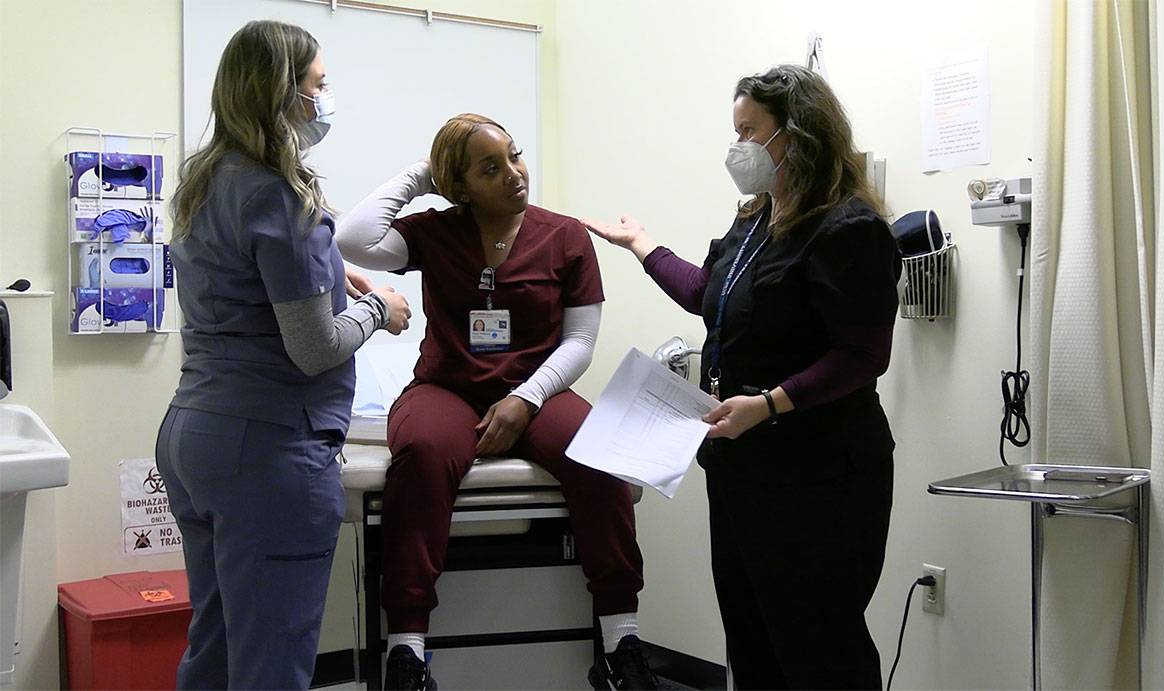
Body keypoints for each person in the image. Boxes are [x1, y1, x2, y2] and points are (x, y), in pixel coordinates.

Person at [583, 64, 901, 690]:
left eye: (750, 131)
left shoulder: (848, 228)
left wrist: (770, 403)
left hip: (822, 475)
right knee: (753, 640)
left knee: (818, 645)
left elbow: (863, 356)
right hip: (742, 471)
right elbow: (709, 293)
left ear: (798, 132)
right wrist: (642, 245)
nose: (738, 148)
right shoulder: (755, 219)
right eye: (735, 132)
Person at [337, 113, 657, 691]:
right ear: (457, 186)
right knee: (425, 452)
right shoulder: (435, 231)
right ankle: (407, 649)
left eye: (515, 155)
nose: (514, 173)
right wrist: (421, 175)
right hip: (447, 387)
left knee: (602, 456)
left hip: (540, 386)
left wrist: (526, 397)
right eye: (491, 167)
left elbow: (580, 342)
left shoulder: (564, 235)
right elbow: (353, 239)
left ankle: (620, 642)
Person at [155, 20, 411, 690]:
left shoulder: (206, 183)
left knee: (214, 643)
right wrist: (378, 309)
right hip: (267, 454)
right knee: (272, 663)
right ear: (283, 93)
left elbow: (243, 294)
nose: (327, 99)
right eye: (319, 85)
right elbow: (314, 348)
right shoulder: (283, 196)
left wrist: (330, 278)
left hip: (194, 438)